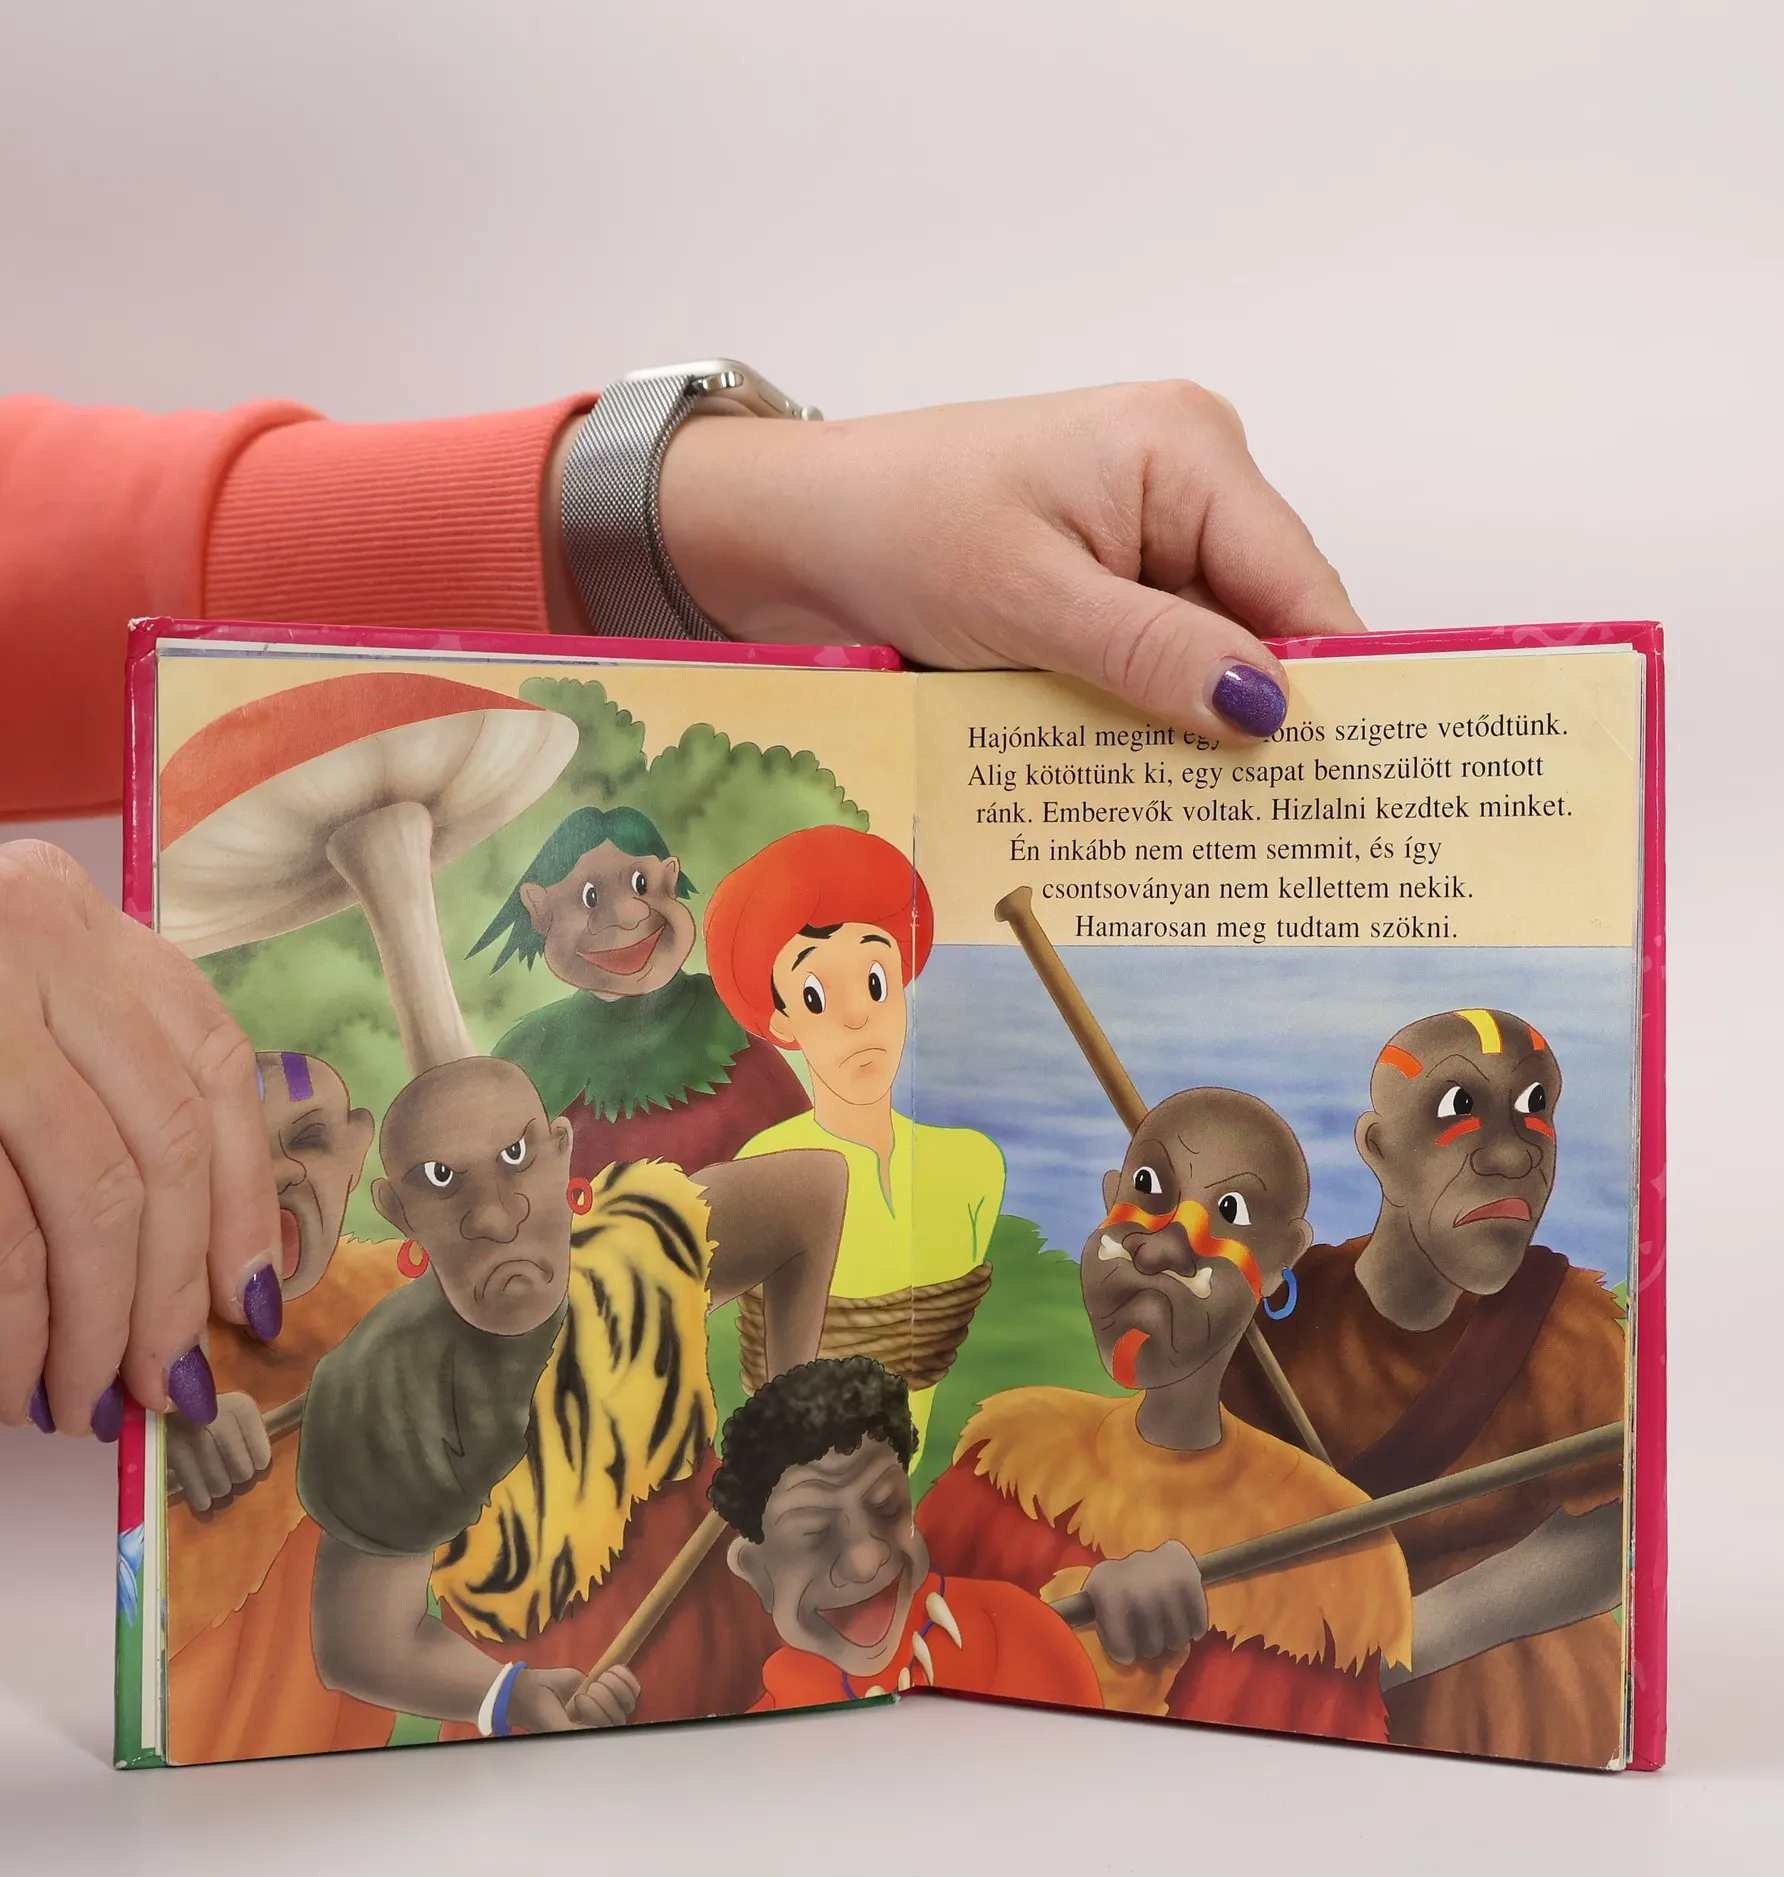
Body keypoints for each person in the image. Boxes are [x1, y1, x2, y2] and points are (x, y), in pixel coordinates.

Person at [0, 379, 1359, 1441]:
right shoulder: (546, 1099)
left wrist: (724, 509)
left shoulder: (848, 1132)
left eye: (651, 886)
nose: (628, 915)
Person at [297, 1054, 844, 1734]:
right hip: (555, 1721)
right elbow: (361, 1646)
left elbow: (814, 1191)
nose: (494, 1215)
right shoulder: (387, 1386)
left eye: (516, 1156)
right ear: (396, 1210)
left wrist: (786, 1442)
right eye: (442, 1180)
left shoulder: (638, 1250)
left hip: (758, 1668)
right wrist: (508, 1694)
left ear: (561, 1150)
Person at [917, 1088, 1412, 1741]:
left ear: (1281, 1258)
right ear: (1109, 1194)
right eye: (1148, 1188)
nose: (1159, 1250)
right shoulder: (1013, 1453)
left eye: (1229, 1213)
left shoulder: (1333, 1552)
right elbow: (914, 1653)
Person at [1219, 1008, 1629, 1767]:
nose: (1513, 1153)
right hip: (1300, 1721)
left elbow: (1610, 1533)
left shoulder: (1568, 1323)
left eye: (1535, 1107)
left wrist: (1391, 1645)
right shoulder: (1280, 1318)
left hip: (1535, 1726)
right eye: (1460, 1106)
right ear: (1379, 1149)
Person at [705, 825, 1005, 1453]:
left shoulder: (976, 1166)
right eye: (815, 995)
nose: (857, 1015)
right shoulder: (767, 1165)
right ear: (782, 1020)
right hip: (807, 1479)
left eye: (875, 981)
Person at [165, 1049, 397, 1763]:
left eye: (310, 1139)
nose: (276, 1173)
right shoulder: (148, 1328)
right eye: (229, 1151)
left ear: (357, 1149)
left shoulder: (395, 1304)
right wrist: (155, 1434)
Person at [710, 1356, 1101, 1713]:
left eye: (887, 1507)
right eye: (814, 1533)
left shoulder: (1017, 1637)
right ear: (756, 1571)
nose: (866, 1561)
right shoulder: (769, 1723)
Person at [478, 804, 810, 1177]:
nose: (627, 915)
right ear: (539, 909)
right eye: (590, 898)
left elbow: (804, 1157)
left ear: (670, 878)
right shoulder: (526, 1055)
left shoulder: (729, 1022)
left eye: (641, 885)